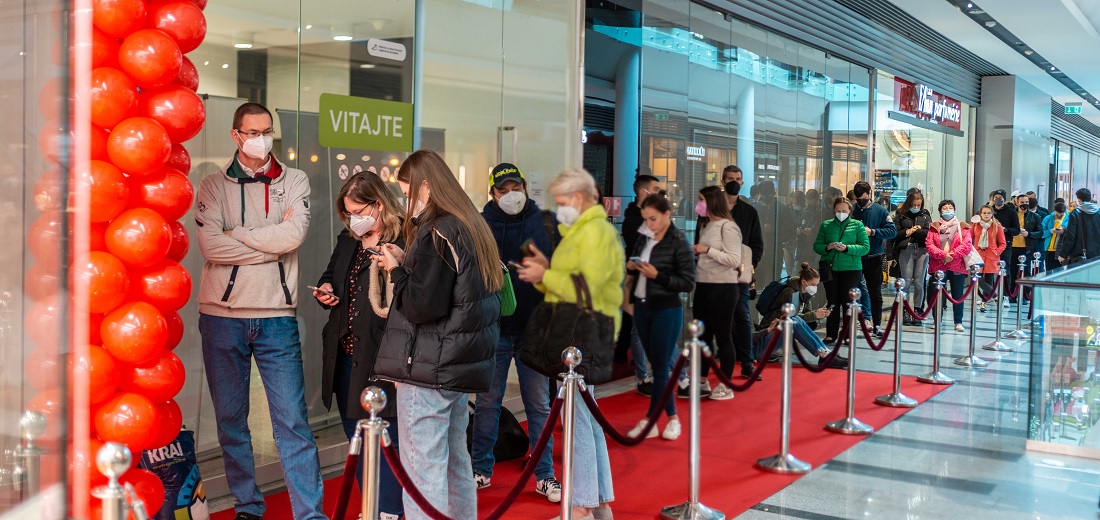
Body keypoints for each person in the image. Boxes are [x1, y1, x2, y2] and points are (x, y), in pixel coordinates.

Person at [194, 102, 324, 520]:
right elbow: (211, 246)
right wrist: (270, 244)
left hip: (276, 317)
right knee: (232, 423)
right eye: (253, 132)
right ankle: (248, 506)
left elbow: (295, 234)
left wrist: (240, 235)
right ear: (236, 135)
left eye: (267, 131)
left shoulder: (295, 180)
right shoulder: (213, 186)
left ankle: (310, 513)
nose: (261, 139)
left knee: (292, 424)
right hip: (221, 317)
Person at [373, 149, 503, 519]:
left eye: (406, 192)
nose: (405, 201)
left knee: (423, 470)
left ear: (426, 187)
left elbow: (421, 305)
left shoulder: (437, 232)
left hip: (429, 366)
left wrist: (397, 270)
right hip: (458, 367)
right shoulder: (471, 226)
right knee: (455, 464)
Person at [517, 168, 622, 520]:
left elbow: (585, 290)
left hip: (585, 335)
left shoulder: (592, 233)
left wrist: (545, 275)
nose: (559, 209)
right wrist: (547, 272)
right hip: (582, 333)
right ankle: (599, 500)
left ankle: (582, 504)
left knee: (578, 422)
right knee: (586, 421)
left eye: (562, 202)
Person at [314, 172, 405, 519]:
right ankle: (372, 508)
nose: (354, 219)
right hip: (344, 354)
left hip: (382, 355)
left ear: (378, 204)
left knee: (386, 443)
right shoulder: (348, 239)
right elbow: (330, 275)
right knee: (356, 440)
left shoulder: (401, 241)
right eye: (348, 213)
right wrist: (326, 291)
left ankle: (390, 511)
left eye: (358, 211)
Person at [470, 163, 560, 502]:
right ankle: (480, 469)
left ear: (524, 186)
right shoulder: (481, 224)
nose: (510, 195)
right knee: (488, 403)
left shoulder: (543, 223)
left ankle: (544, 474)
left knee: (538, 404)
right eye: (502, 189)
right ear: (492, 192)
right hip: (494, 329)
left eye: (515, 187)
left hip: (534, 329)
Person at [625, 191, 695, 437]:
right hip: (642, 305)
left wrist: (658, 275)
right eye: (645, 219)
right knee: (657, 364)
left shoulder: (679, 241)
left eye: (653, 218)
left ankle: (657, 419)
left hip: (667, 308)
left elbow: (687, 282)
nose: (649, 224)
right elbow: (631, 261)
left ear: (667, 214)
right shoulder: (645, 237)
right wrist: (631, 265)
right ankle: (665, 419)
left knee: (661, 366)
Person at [690, 186, 742, 401]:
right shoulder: (706, 224)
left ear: (712, 201)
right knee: (702, 336)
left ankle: (726, 383)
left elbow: (734, 259)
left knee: (723, 336)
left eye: (702, 199)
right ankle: (702, 380)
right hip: (703, 285)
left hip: (723, 288)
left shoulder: (728, 227)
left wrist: (706, 250)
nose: (699, 204)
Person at [619, 174, 663, 396]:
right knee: (638, 327)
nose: (659, 193)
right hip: (638, 277)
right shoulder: (632, 219)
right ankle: (642, 376)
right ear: (643, 192)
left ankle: (662, 372)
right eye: (655, 189)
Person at [721, 165, 764, 379]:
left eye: (738, 179)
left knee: (743, 316)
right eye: (730, 178)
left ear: (743, 182)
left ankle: (747, 363)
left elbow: (757, 244)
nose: (734, 182)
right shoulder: (709, 208)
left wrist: (748, 266)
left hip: (739, 273)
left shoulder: (749, 212)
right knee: (718, 317)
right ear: (722, 181)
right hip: (715, 273)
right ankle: (720, 360)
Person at [760, 263, 846, 368]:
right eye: (813, 284)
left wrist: (817, 313)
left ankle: (825, 352)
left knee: (800, 321)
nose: (815, 287)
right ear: (804, 282)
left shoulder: (804, 292)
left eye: (816, 285)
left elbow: (803, 314)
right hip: (771, 327)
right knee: (795, 322)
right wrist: (815, 315)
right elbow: (789, 318)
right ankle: (824, 354)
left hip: (782, 326)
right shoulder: (790, 293)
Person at [814, 196, 869, 342]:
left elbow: (865, 247)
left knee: (848, 302)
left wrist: (847, 248)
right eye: (838, 210)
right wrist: (827, 247)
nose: (840, 213)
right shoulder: (826, 225)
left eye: (843, 210)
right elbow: (817, 246)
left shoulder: (857, 225)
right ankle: (831, 333)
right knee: (832, 301)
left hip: (851, 269)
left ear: (849, 210)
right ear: (833, 210)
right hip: (830, 268)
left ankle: (847, 334)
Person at [851, 181, 897, 336]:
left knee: (874, 291)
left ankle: (877, 323)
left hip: (874, 257)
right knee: (853, 290)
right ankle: (858, 320)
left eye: (863, 199)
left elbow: (892, 232)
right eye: (858, 200)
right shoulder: (853, 210)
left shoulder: (881, 211)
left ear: (870, 194)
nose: (861, 203)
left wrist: (873, 232)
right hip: (854, 257)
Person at [925, 200, 973, 332]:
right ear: (940, 211)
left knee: (958, 295)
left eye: (950, 208)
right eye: (945, 208)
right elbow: (929, 245)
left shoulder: (962, 226)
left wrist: (951, 254)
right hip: (938, 265)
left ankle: (958, 321)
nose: (948, 210)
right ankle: (936, 321)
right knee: (936, 294)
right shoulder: (934, 227)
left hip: (957, 265)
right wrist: (942, 255)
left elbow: (967, 245)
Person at [892, 191, 932, 325]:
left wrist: (917, 230)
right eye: (913, 205)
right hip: (906, 249)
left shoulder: (925, 215)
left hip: (922, 250)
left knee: (919, 282)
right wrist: (907, 232)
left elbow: (929, 234)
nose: (916, 207)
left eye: (918, 205)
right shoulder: (901, 215)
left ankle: (917, 310)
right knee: (906, 282)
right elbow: (894, 233)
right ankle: (905, 310)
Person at [972, 204, 1006, 313]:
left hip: (992, 256)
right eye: (984, 213)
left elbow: (1002, 243)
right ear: (980, 214)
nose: (986, 215)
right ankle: (996, 296)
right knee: (977, 279)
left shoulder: (997, 226)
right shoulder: (975, 226)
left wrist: (996, 252)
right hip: (978, 256)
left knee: (989, 280)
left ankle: (984, 303)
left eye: (988, 213)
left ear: (992, 214)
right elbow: (968, 239)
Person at [989, 189, 1020, 305]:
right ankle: (988, 295)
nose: (998, 199)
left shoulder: (1011, 212)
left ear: (1004, 199)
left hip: (1005, 244)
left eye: (1000, 197)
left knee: (1005, 269)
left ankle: (1006, 295)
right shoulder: (989, 211)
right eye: (996, 197)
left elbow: (1016, 230)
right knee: (988, 270)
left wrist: (1005, 229)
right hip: (990, 245)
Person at [1058, 188, 1100, 265]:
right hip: (1097, 254)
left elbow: (1071, 236)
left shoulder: (1076, 213)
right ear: (1090, 198)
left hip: (1080, 254)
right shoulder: (1098, 211)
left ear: (1079, 199)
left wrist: (1063, 254)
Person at [1041, 202, 1068, 270]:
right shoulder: (1048, 218)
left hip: (1062, 249)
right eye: (1057, 213)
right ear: (1054, 210)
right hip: (1049, 248)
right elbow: (1041, 233)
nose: (1059, 214)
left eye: (1061, 213)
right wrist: (1050, 231)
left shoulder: (1068, 218)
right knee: (1049, 271)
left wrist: (1063, 231)